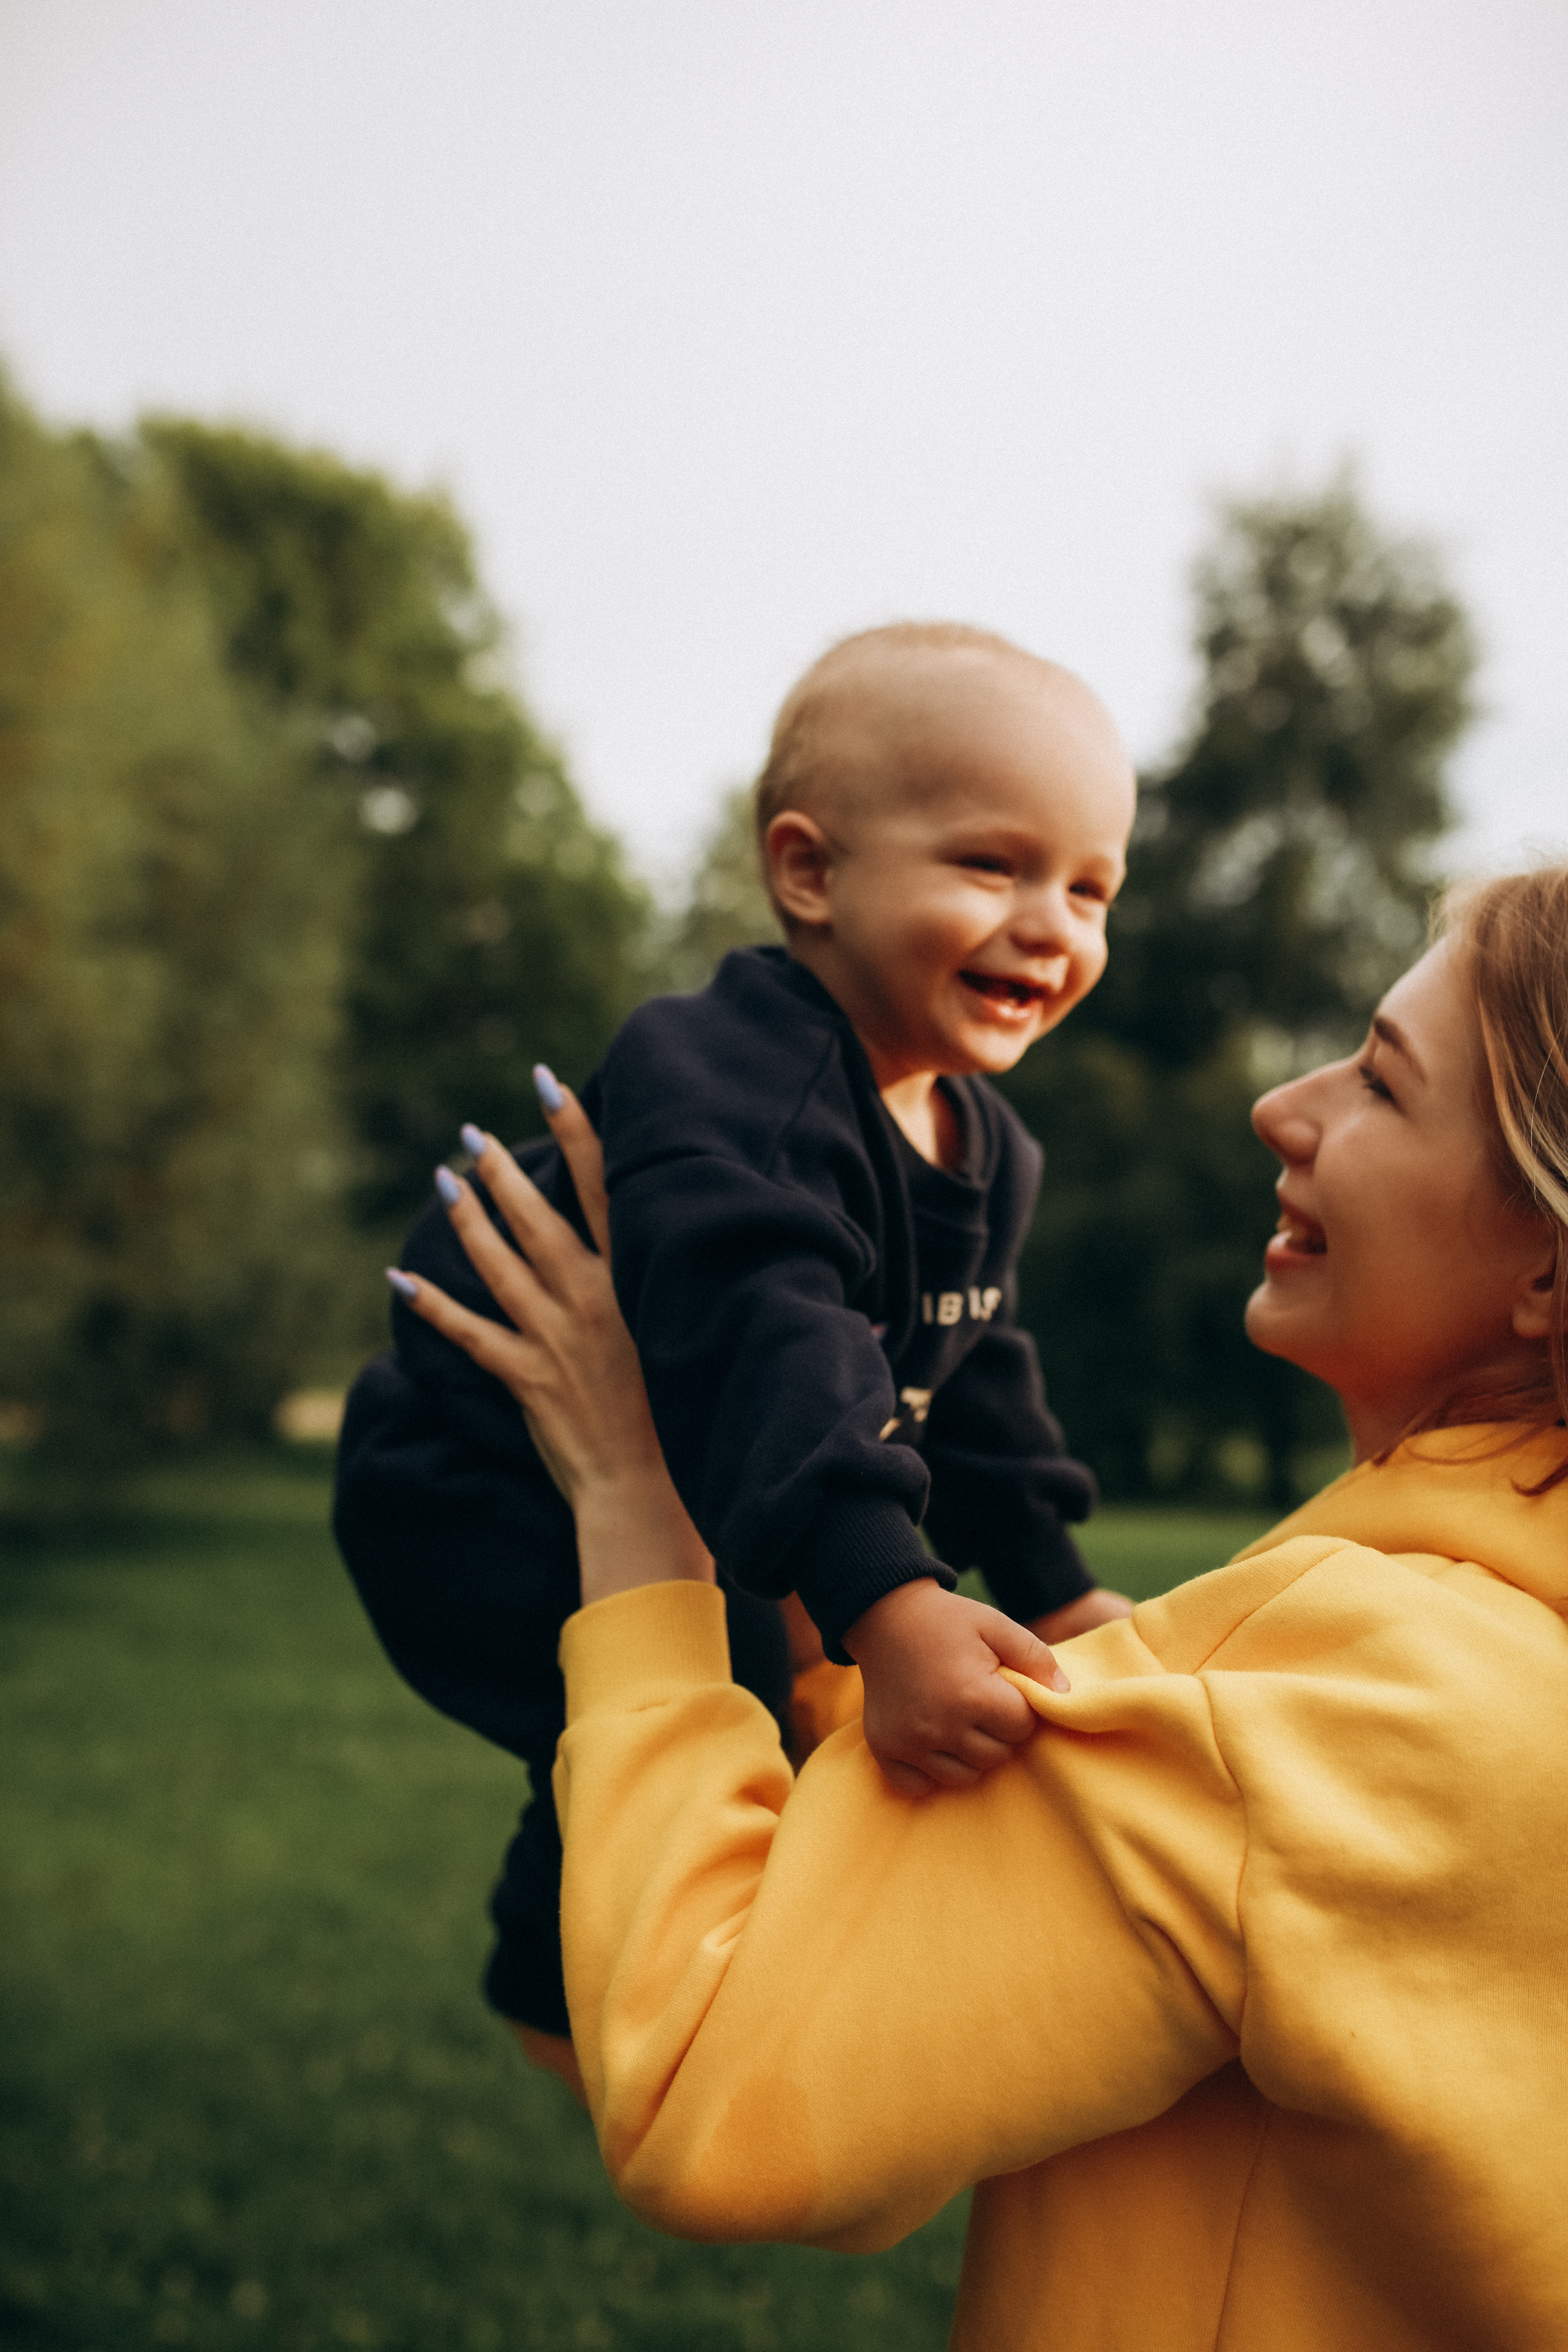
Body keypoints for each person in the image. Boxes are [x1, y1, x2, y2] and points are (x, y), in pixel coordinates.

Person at [395, 864, 1568, 2348]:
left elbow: (717, 2093)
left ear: (1545, 1268)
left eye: (1383, 1087)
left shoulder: (1368, 1691)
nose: (1283, 1107)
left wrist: (637, 1498)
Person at [335, 622, 1136, 2066]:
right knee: (712, 1703)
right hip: (470, 1471)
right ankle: (567, 1995)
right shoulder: (728, 1075)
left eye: (1090, 888)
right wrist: (887, 1601)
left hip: (688, 1458)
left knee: (778, 1700)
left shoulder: (983, 1145)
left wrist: (1050, 1587)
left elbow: (973, 1385)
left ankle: (748, 1961)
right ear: (808, 872)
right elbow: (770, 1333)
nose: (1052, 926)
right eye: (990, 865)